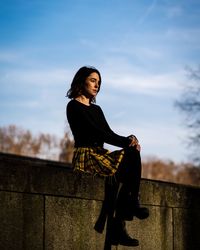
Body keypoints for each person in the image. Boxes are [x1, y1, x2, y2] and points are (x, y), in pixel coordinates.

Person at [66, 66, 149, 247]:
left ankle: (125, 213)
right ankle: (127, 210)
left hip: (100, 156)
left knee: (133, 153)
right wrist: (126, 141)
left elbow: (108, 132)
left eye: (99, 82)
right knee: (130, 153)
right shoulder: (73, 106)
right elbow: (96, 133)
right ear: (82, 81)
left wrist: (130, 139)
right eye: (93, 80)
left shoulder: (97, 109)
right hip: (86, 155)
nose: (97, 85)